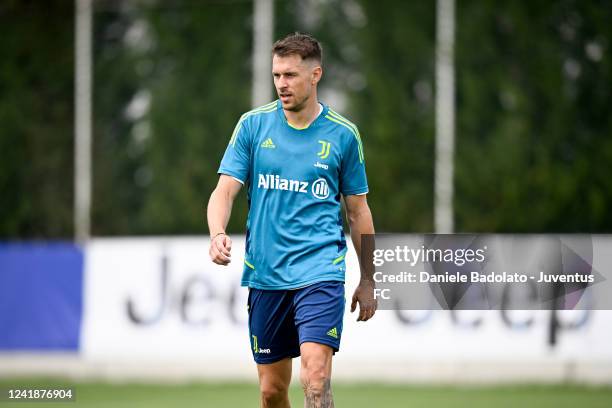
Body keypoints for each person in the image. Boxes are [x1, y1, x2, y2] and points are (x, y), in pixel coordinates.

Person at [207, 32, 376, 408]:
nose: (282, 84)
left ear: (316, 75)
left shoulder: (343, 135)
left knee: (315, 379)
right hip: (266, 274)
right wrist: (217, 232)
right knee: (271, 392)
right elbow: (224, 191)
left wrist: (368, 278)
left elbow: (358, 211)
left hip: (321, 270)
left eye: (291, 75)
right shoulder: (252, 126)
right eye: (276, 76)